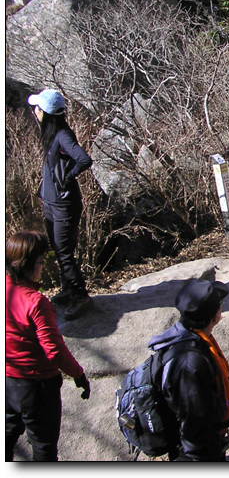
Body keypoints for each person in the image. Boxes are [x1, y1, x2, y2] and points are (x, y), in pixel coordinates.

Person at [6, 230, 91, 461]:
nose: (43, 267)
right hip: (38, 388)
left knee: (7, 437)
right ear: (27, 264)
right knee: (43, 447)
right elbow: (53, 350)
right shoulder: (37, 303)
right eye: (41, 262)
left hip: (8, 382)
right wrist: (78, 374)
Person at [147, 278, 229, 461]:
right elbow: (196, 428)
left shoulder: (187, 337)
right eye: (221, 305)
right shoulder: (190, 363)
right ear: (215, 316)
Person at [27, 89, 93, 321]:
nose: (34, 111)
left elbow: (84, 159)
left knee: (65, 252)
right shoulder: (51, 134)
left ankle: (79, 296)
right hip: (52, 202)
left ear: (46, 113)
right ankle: (68, 290)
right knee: (58, 249)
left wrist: (67, 177)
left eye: (38, 108)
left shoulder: (62, 135)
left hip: (64, 204)